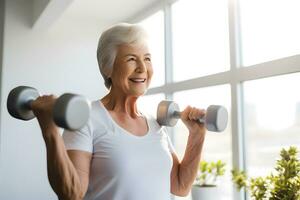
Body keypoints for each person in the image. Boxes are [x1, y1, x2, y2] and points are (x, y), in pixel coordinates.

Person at [31, 23, 207, 200]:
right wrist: (50, 129)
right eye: (131, 59)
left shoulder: (155, 124)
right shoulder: (86, 119)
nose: (142, 68)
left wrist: (197, 135)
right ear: (108, 68)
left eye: (147, 59)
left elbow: (180, 186)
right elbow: (71, 194)